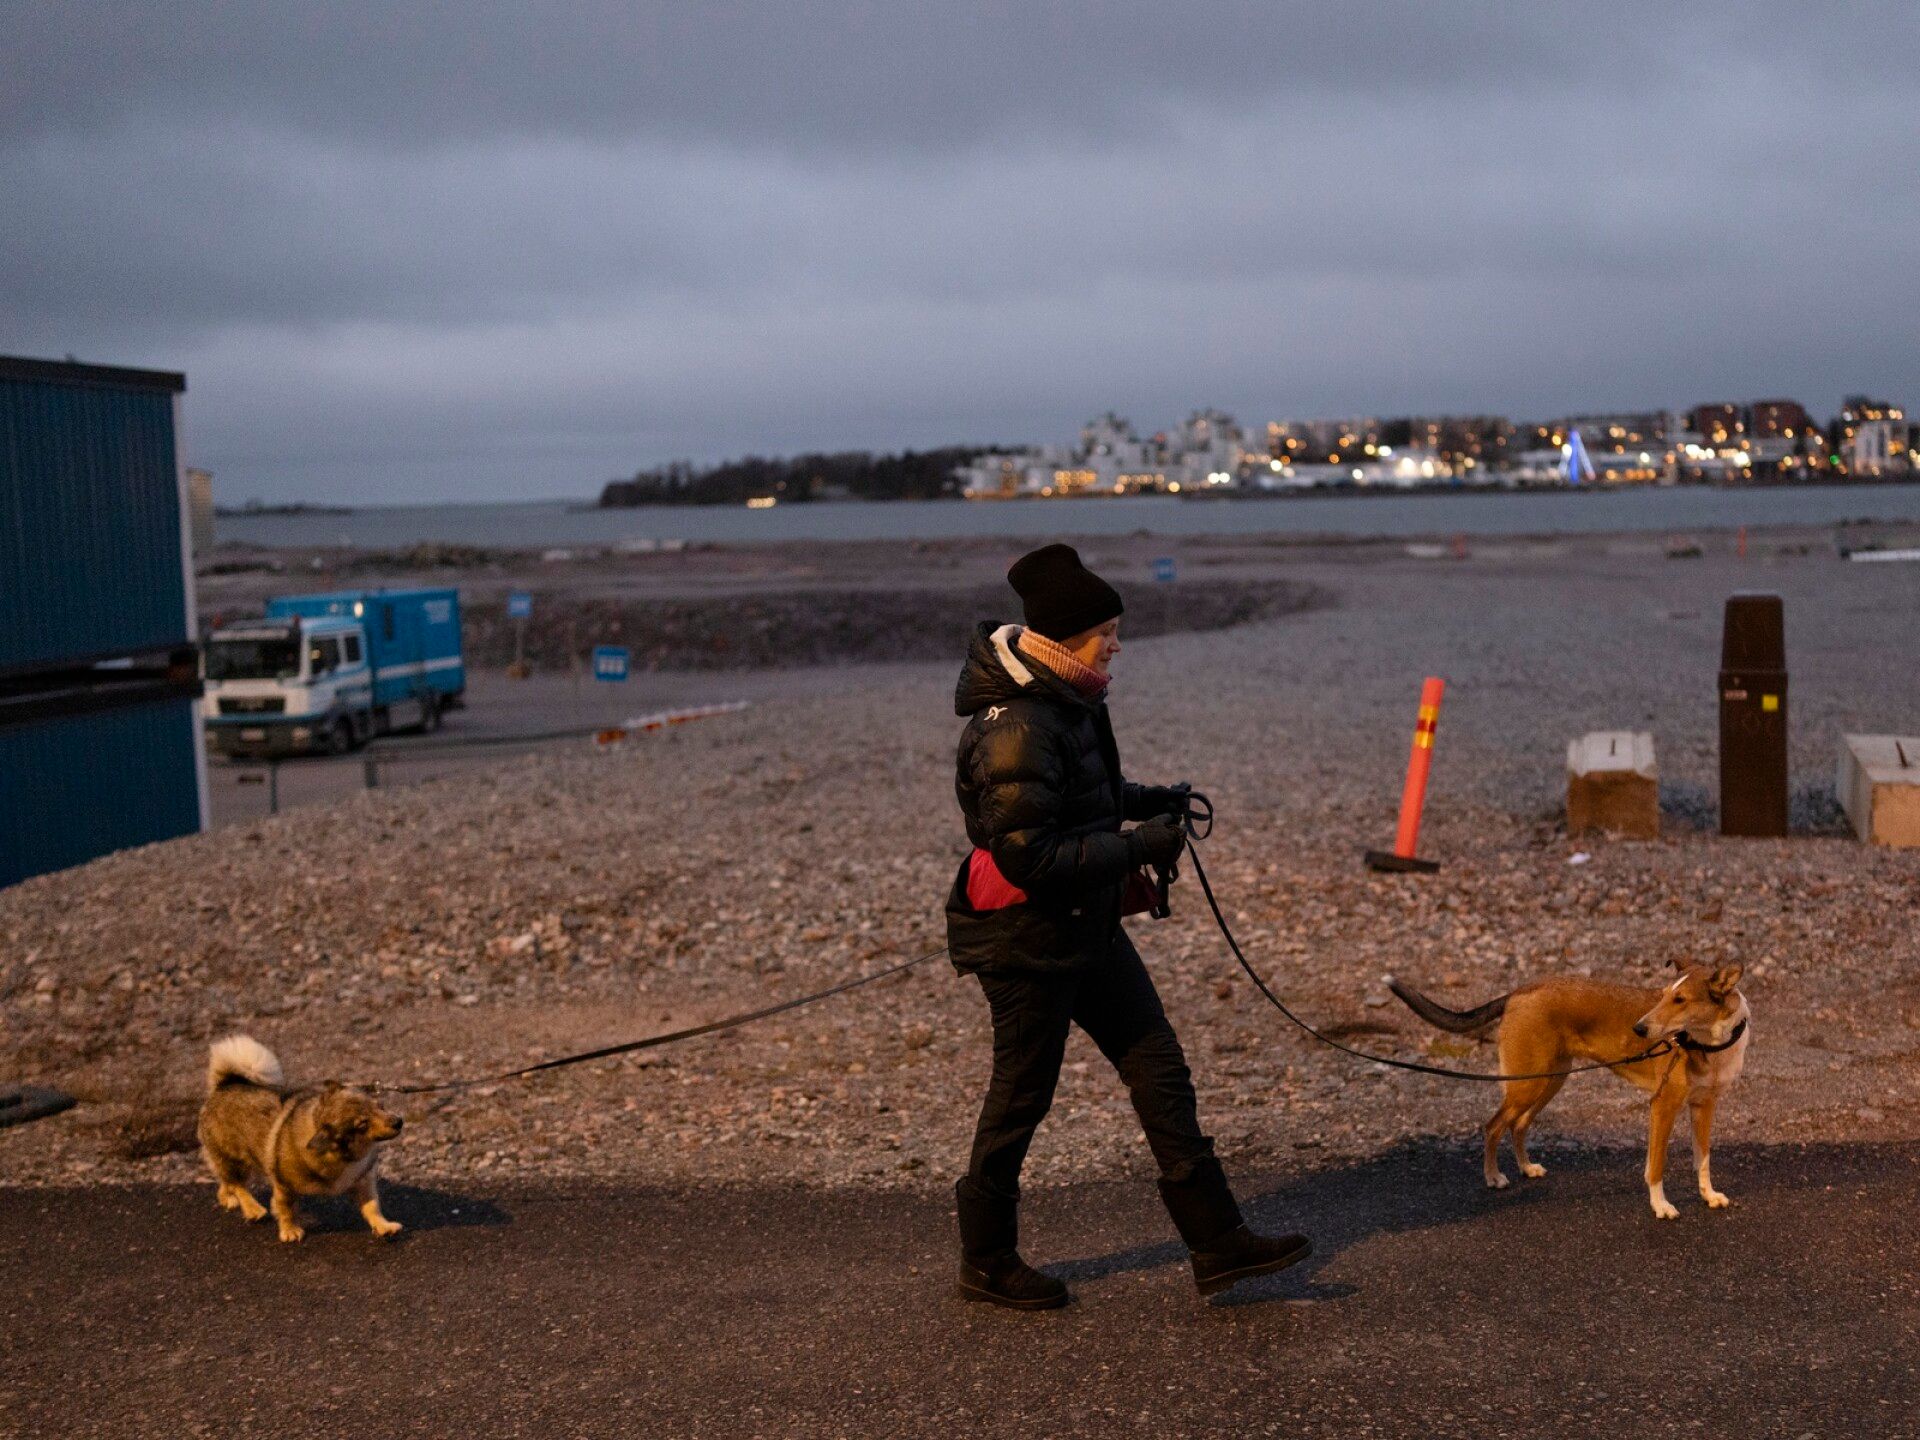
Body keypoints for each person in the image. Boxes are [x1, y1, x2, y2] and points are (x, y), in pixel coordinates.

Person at [945, 542, 1311, 1308]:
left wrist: (1146, 800)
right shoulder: (1016, 723)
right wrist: (1139, 845)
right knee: (1021, 1099)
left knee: (1161, 1073)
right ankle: (985, 1261)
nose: (1117, 643)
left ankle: (1217, 1244)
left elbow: (1079, 797)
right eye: (1107, 629)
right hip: (1026, 940)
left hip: (1087, 924)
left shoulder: (1068, 696)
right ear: (1067, 635)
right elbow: (1027, 855)